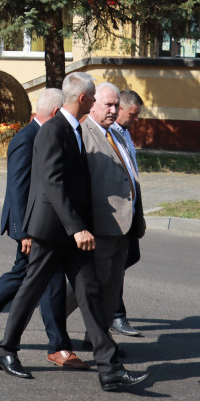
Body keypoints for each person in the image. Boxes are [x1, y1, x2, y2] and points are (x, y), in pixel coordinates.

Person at [0, 72, 148, 392]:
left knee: (90, 292)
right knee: (30, 290)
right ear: (82, 99)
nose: (94, 103)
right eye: (92, 98)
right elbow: (53, 183)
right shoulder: (53, 130)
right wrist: (77, 228)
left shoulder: (76, 129)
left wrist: (81, 226)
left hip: (75, 232)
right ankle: (7, 350)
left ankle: (109, 368)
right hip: (52, 231)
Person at [0, 89, 80, 369]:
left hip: (40, 225)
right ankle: (58, 347)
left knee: (24, 275)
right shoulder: (26, 138)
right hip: (31, 226)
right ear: (54, 114)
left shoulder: (44, 134)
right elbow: (17, 188)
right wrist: (22, 232)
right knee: (47, 281)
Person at [74, 83, 144, 346]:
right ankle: (97, 344)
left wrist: (138, 217)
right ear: (92, 104)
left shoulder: (116, 134)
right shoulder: (84, 134)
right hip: (99, 228)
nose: (114, 111)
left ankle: (98, 340)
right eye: (109, 105)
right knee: (93, 289)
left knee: (111, 290)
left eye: (116, 106)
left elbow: (130, 177)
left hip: (122, 229)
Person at [109, 89, 144, 338]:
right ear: (120, 108)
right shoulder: (106, 133)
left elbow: (133, 174)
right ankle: (115, 315)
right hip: (113, 215)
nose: (136, 119)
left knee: (129, 258)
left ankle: (105, 310)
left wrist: (139, 213)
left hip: (129, 212)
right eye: (133, 114)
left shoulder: (124, 133)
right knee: (114, 267)